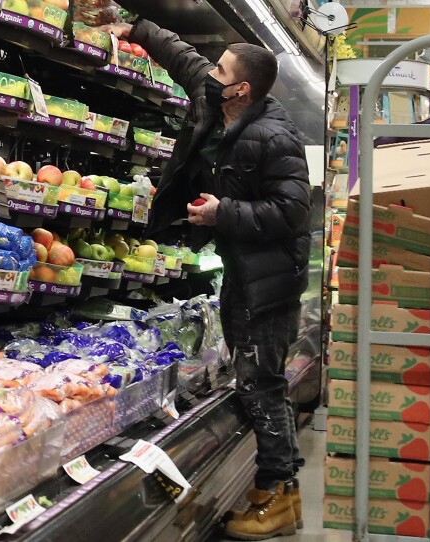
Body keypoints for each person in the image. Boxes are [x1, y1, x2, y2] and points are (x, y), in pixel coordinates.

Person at [103, 18, 312, 541]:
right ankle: (274, 489)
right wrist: (133, 26)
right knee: (255, 377)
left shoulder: (273, 135)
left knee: (262, 381)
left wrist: (225, 212)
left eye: (222, 70)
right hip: (244, 271)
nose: (211, 73)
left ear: (241, 88)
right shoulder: (216, 98)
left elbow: (291, 211)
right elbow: (182, 57)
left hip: (268, 281)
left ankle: (281, 493)